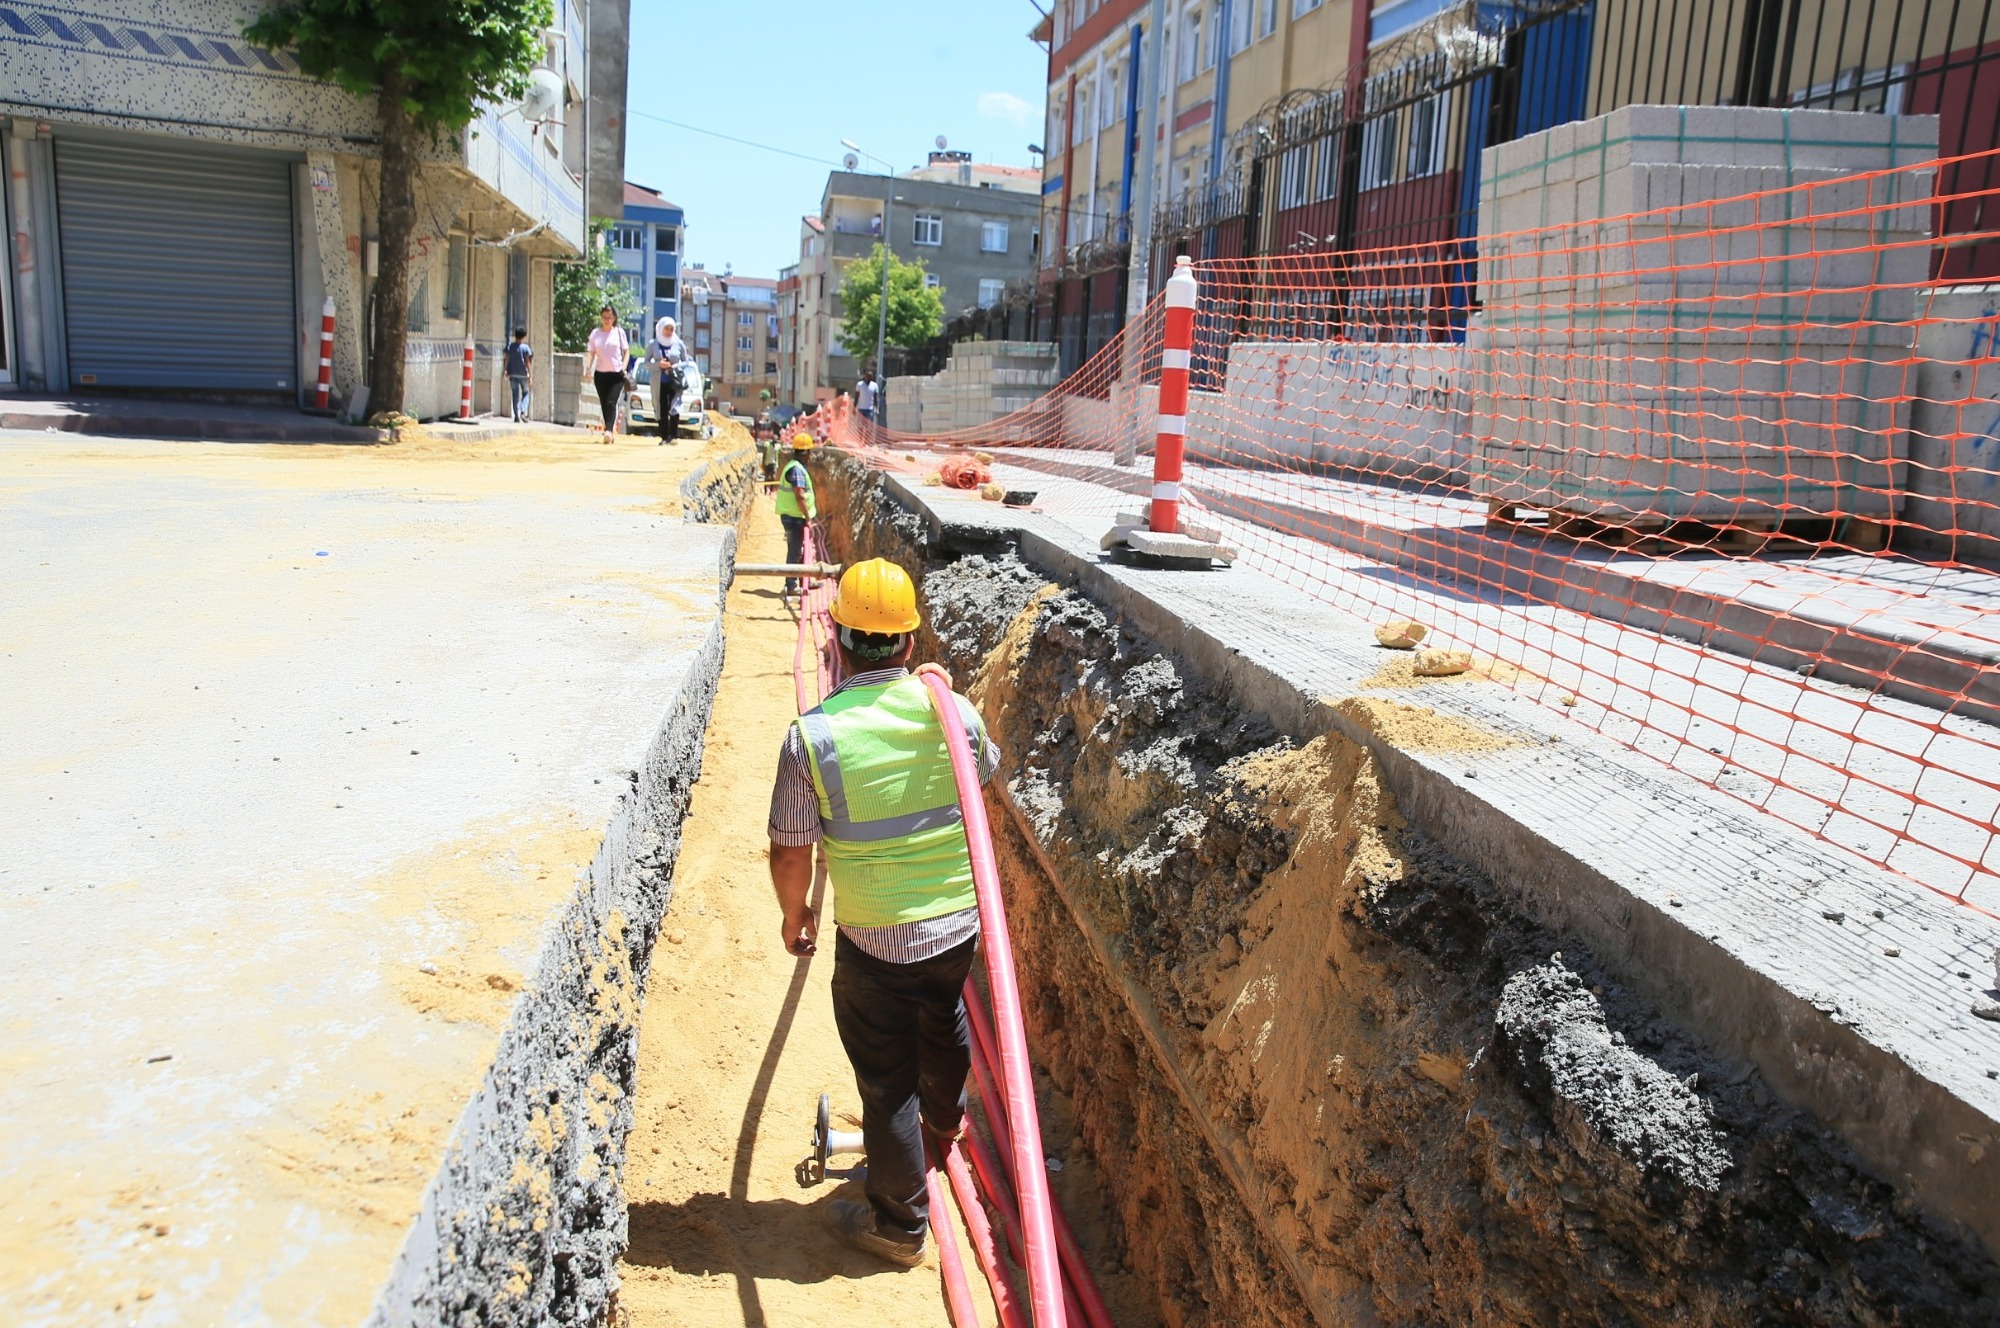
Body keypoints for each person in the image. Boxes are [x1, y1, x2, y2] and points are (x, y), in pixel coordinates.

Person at [766, 558, 1000, 1269]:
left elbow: (789, 849)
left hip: (875, 937)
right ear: (907, 641)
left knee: (885, 1073)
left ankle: (899, 1227)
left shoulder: (812, 737)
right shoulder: (951, 711)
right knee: (946, 1012)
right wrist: (947, 706)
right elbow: (980, 770)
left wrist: (796, 915)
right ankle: (944, 1120)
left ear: (834, 638)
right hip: (957, 923)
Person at [775, 432, 817, 597]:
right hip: (794, 517)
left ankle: (803, 580)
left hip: (795, 516)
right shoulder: (797, 470)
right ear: (806, 453)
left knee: (801, 549)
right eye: (810, 452)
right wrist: (808, 517)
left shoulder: (795, 467)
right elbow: (799, 495)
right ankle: (792, 585)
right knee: (795, 551)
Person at [585, 306, 630, 439]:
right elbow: (591, 352)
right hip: (600, 374)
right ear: (600, 317)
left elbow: (626, 351)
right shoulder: (595, 333)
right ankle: (608, 429)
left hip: (617, 374)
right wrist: (588, 368)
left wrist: (623, 367)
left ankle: (609, 431)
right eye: (604, 317)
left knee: (611, 401)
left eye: (610, 317)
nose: (607, 320)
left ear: (614, 318)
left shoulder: (619, 332)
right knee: (604, 402)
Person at [645, 316, 689, 443]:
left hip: (674, 381)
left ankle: (674, 436)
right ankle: (665, 437)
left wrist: (674, 366)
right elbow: (646, 363)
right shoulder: (653, 344)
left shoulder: (678, 343)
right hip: (658, 382)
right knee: (661, 408)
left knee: (675, 406)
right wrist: (658, 364)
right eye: (666, 329)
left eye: (671, 329)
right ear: (660, 328)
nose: (669, 332)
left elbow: (686, 362)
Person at [504, 327, 533, 422]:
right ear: (524, 336)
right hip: (523, 375)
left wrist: (505, 370)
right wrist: (530, 376)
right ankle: (523, 412)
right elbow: (528, 362)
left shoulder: (510, 346)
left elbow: (507, 359)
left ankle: (516, 416)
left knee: (515, 395)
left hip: (512, 374)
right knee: (526, 393)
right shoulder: (526, 348)